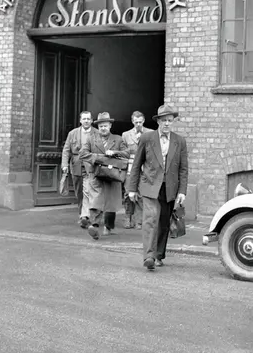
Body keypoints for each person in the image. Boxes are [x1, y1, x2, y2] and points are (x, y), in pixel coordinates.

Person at [128, 104, 188, 271]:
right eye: (164, 120)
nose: (167, 123)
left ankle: (159, 254)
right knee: (150, 219)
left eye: (170, 120)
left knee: (163, 223)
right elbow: (136, 164)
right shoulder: (147, 138)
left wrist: (182, 191)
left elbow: (183, 169)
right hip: (149, 185)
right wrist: (132, 188)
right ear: (158, 121)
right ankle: (149, 256)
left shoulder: (179, 141)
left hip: (170, 188)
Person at [79, 112, 129, 240]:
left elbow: (127, 153)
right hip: (97, 174)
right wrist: (99, 158)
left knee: (111, 202)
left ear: (110, 126)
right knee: (96, 200)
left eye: (105, 126)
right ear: (98, 127)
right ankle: (94, 226)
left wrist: (115, 152)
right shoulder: (91, 139)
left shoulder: (118, 139)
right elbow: (82, 154)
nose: (103, 128)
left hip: (113, 175)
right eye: (101, 126)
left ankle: (108, 226)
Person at [61, 111, 98, 229]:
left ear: (91, 121)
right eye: (84, 119)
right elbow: (66, 150)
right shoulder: (73, 133)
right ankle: (82, 214)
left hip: (90, 165)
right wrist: (64, 165)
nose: (86, 121)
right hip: (76, 164)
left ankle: (86, 216)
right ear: (80, 120)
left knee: (89, 190)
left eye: (88, 119)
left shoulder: (97, 133)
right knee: (79, 191)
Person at [122, 111, 151, 229]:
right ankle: (128, 217)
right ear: (132, 121)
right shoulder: (126, 135)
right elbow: (124, 152)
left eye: (140, 122)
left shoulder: (150, 133)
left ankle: (139, 220)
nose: (138, 124)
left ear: (143, 121)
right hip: (130, 167)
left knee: (141, 194)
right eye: (136, 122)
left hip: (144, 167)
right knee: (128, 193)